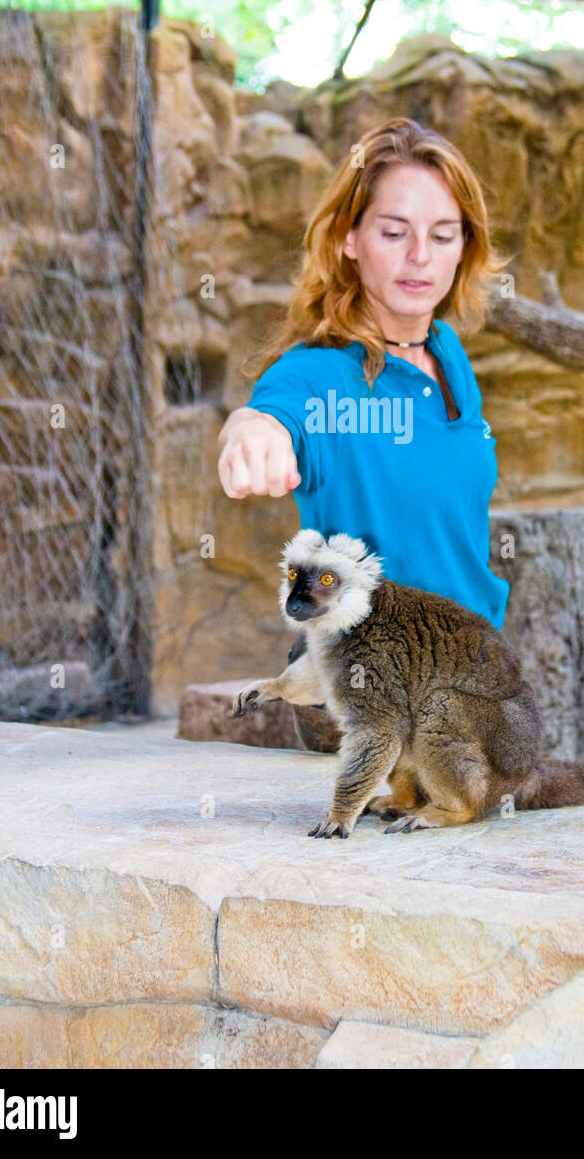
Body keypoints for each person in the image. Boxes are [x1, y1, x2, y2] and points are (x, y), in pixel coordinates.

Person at [217, 117, 511, 741]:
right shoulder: (320, 374)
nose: (420, 257)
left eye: (442, 235)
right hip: (376, 705)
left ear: (465, 247)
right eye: (393, 232)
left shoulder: (448, 354)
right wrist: (252, 435)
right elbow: (269, 412)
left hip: (469, 678)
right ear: (350, 238)